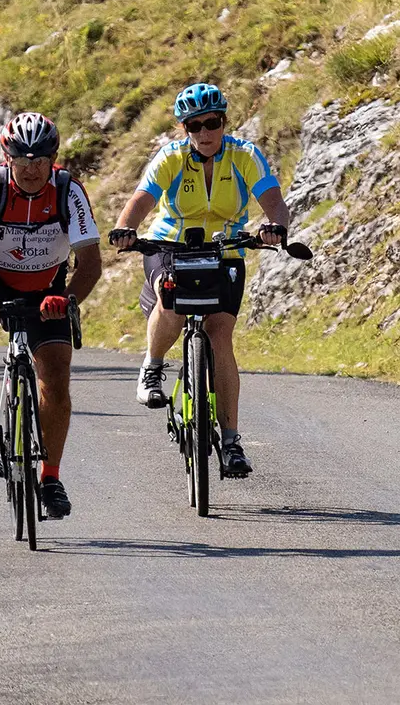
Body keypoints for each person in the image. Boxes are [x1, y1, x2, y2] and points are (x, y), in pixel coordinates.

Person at [108, 83, 290, 479]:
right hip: (171, 246)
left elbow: (273, 199)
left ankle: (231, 441)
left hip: (226, 249)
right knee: (170, 303)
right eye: (195, 126)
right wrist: (125, 229)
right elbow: (141, 200)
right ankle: (152, 365)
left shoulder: (244, 156)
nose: (205, 133)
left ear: (224, 121)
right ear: (184, 128)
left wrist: (275, 226)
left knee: (220, 334)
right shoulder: (171, 158)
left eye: (213, 123)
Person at [0, 112, 101, 519]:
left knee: (56, 375)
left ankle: (50, 477)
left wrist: (67, 299)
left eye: (40, 160)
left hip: (48, 285)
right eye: (22, 160)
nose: (31, 169)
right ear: (7, 157)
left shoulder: (68, 191)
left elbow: (90, 262)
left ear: (53, 159)